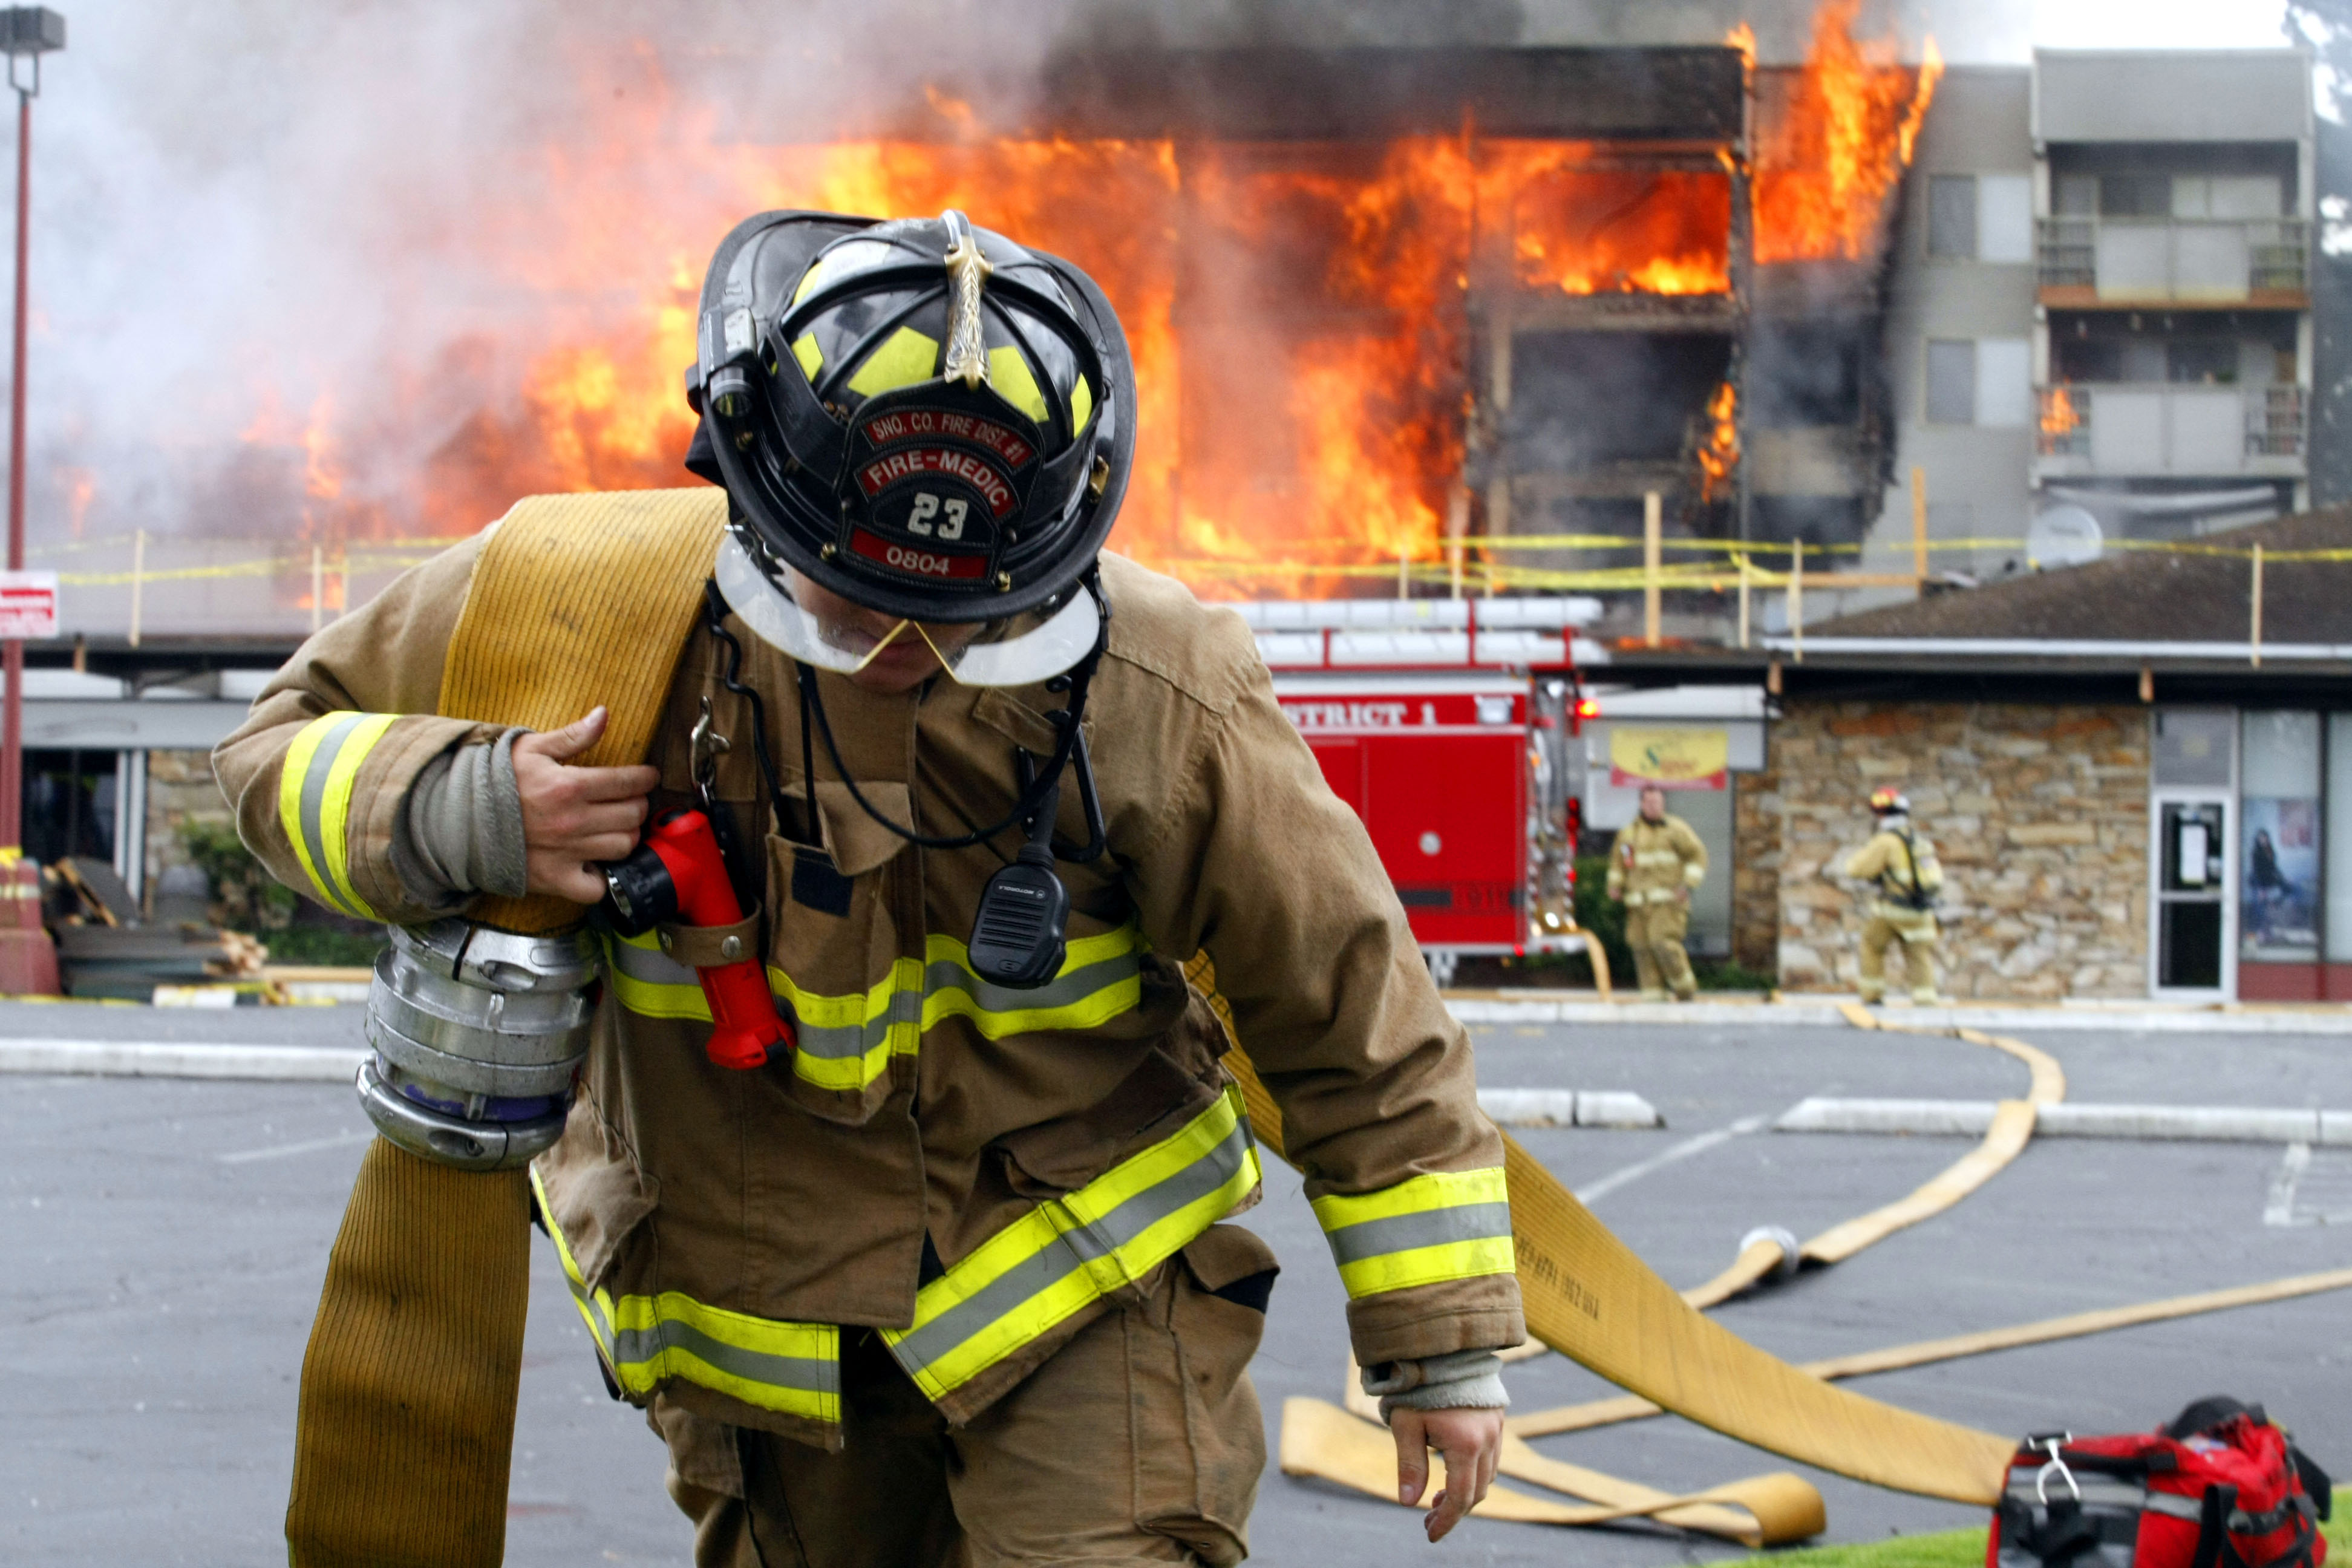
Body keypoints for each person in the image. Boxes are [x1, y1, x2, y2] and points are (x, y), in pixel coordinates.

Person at [216, 209, 1520, 1566]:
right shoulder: (580, 602)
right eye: (849, 599)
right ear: (756, 484)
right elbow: (271, 752)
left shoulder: (1153, 685)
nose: (901, 642)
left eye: (958, 616)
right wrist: (463, 807)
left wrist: (1441, 1351)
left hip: (1086, 1295)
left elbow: (1349, 1010)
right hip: (764, 1338)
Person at [1841, 786, 1945, 1005]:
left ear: (1880, 814)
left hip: (1894, 909)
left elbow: (1857, 869)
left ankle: (1872, 995)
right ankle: (1925, 999)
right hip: (1921, 909)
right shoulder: (1916, 838)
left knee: (1871, 944)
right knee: (1918, 954)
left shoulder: (1886, 841)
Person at [1605, 784, 1707, 1002]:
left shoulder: (1676, 830)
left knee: (1664, 944)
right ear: (1642, 804)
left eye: (1658, 802)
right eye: (1650, 802)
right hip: (1638, 904)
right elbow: (1619, 864)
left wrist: (1687, 885)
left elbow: (1697, 856)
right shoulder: (1629, 834)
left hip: (1667, 903)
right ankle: (1653, 998)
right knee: (1642, 949)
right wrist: (1615, 886)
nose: (1654, 806)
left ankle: (1685, 990)